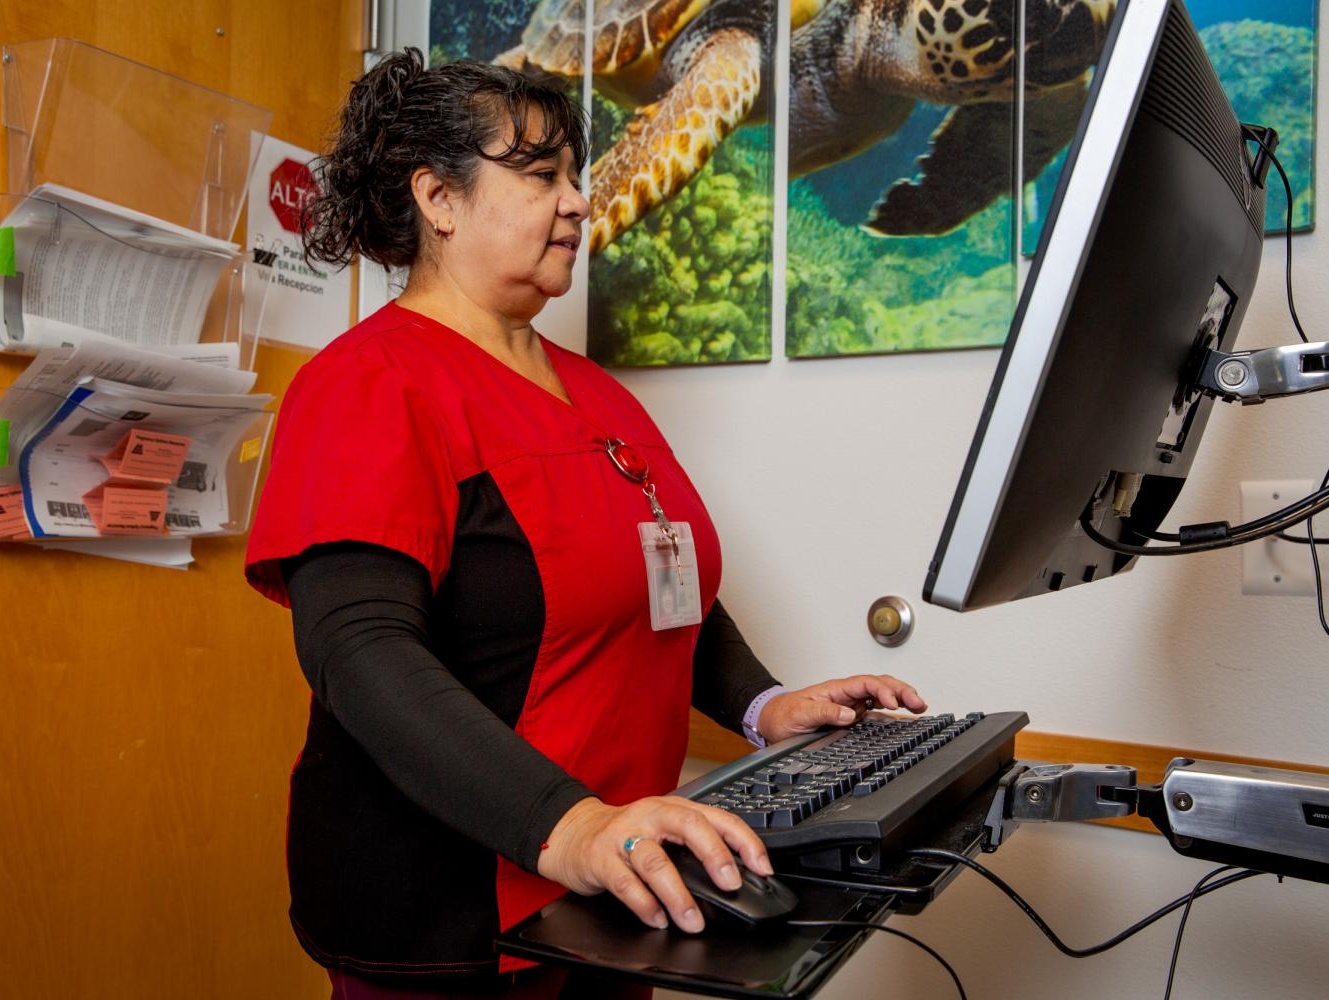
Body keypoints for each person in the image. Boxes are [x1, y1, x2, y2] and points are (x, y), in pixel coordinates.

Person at [243, 49, 928, 999]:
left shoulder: (601, 395)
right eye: (539, 176)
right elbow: (359, 653)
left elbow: (659, 590)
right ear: (438, 197)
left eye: (574, 174)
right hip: (454, 913)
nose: (577, 198)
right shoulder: (366, 383)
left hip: (615, 884)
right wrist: (572, 827)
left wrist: (765, 708)